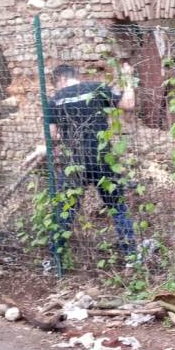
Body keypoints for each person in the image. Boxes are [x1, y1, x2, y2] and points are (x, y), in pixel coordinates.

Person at [46, 63, 144, 259]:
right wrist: (127, 77)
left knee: (65, 210)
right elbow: (128, 104)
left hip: (75, 162)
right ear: (75, 75)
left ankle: (55, 260)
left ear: (61, 80)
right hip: (101, 159)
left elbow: (52, 137)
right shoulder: (96, 88)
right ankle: (131, 257)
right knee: (116, 206)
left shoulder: (55, 100)